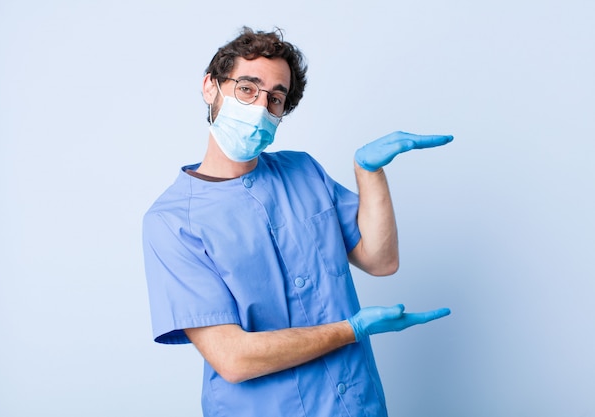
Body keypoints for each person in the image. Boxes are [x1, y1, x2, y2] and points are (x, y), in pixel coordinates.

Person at [142, 26, 453, 417]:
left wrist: (368, 173)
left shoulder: (303, 171)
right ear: (210, 87)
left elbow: (380, 260)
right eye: (247, 89)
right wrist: (349, 331)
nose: (260, 107)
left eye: (276, 98)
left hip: (358, 404)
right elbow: (233, 359)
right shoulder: (172, 223)